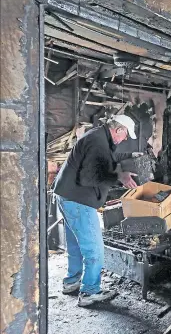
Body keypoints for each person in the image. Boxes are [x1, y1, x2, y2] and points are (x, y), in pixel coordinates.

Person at [53, 115, 140, 307]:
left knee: (76, 245)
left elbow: (106, 158)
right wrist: (120, 178)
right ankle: (89, 292)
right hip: (78, 200)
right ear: (118, 130)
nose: (125, 139)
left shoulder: (97, 136)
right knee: (94, 249)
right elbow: (89, 178)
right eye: (125, 135)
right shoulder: (98, 142)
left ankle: (71, 282)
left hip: (66, 195)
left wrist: (130, 156)